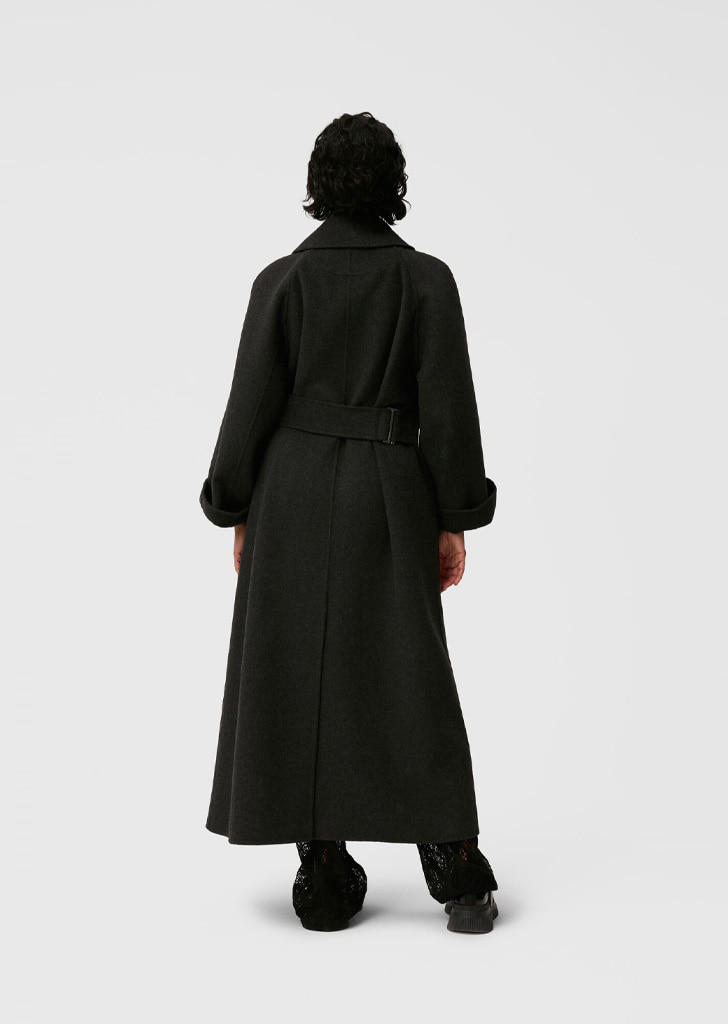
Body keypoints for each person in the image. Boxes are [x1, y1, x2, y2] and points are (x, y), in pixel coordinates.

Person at [199, 111, 499, 934]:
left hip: (291, 493)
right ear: (393, 185)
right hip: (391, 490)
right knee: (411, 674)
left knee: (297, 671)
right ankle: (457, 874)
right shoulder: (426, 281)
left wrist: (234, 505)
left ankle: (324, 875)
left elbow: (249, 406)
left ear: (318, 184)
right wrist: (454, 516)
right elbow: (449, 410)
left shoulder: (282, 281)